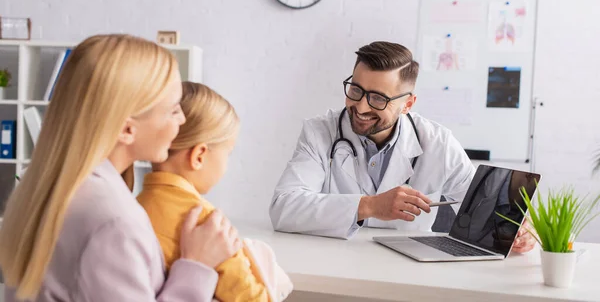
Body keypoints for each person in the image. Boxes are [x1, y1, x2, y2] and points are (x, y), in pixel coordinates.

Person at [0, 34, 241, 301]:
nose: (182, 119)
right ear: (127, 129)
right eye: (173, 111)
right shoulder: (114, 222)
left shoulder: (43, 185)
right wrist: (198, 266)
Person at [269, 41, 535, 253]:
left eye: (378, 98)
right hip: (334, 260)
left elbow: (483, 211)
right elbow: (283, 208)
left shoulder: (438, 143)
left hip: (408, 270)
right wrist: (369, 206)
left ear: (408, 104)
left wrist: (516, 233)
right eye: (356, 90)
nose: (361, 107)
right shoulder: (320, 132)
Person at [137, 82, 292, 302]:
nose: (226, 164)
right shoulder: (207, 226)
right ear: (199, 155)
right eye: (228, 152)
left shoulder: (135, 206)